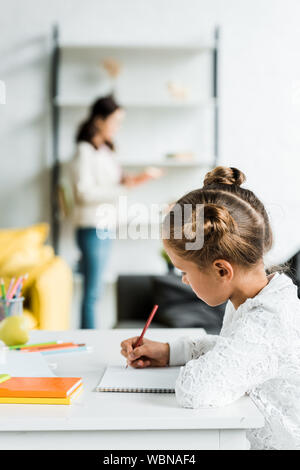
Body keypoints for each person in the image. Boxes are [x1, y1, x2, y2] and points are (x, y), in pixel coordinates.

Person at [120, 166, 300, 450]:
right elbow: (236, 348)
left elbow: (196, 391)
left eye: (184, 270)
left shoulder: (268, 319)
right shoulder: (263, 297)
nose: (183, 279)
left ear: (221, 270)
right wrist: (171, 353)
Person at [72, 95, 159, 329]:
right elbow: (84, 193)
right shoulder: (85, 151)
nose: (118, 127)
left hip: (105, 226)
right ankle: (88, 338)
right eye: (115, 121)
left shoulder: (105, 151)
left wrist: (134, 181)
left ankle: (89, 336)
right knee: (92, 292)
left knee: (95, 290)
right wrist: (122, 188)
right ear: (99, 120)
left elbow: (117, 183)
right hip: (92, 227)